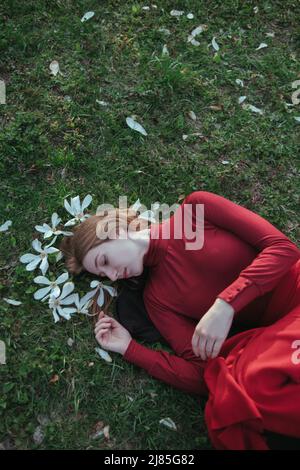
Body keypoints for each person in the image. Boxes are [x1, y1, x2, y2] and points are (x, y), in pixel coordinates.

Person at [59, 191, 300, 449]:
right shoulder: (157, 301)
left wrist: (226, 304)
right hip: (275, 343)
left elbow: (283, 249)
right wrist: (130, 349)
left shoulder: (196, 209)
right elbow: (203, 372)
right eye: (104, 275)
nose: (114, 276)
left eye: (105, 261)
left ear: (115, 230)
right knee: (239, 392)